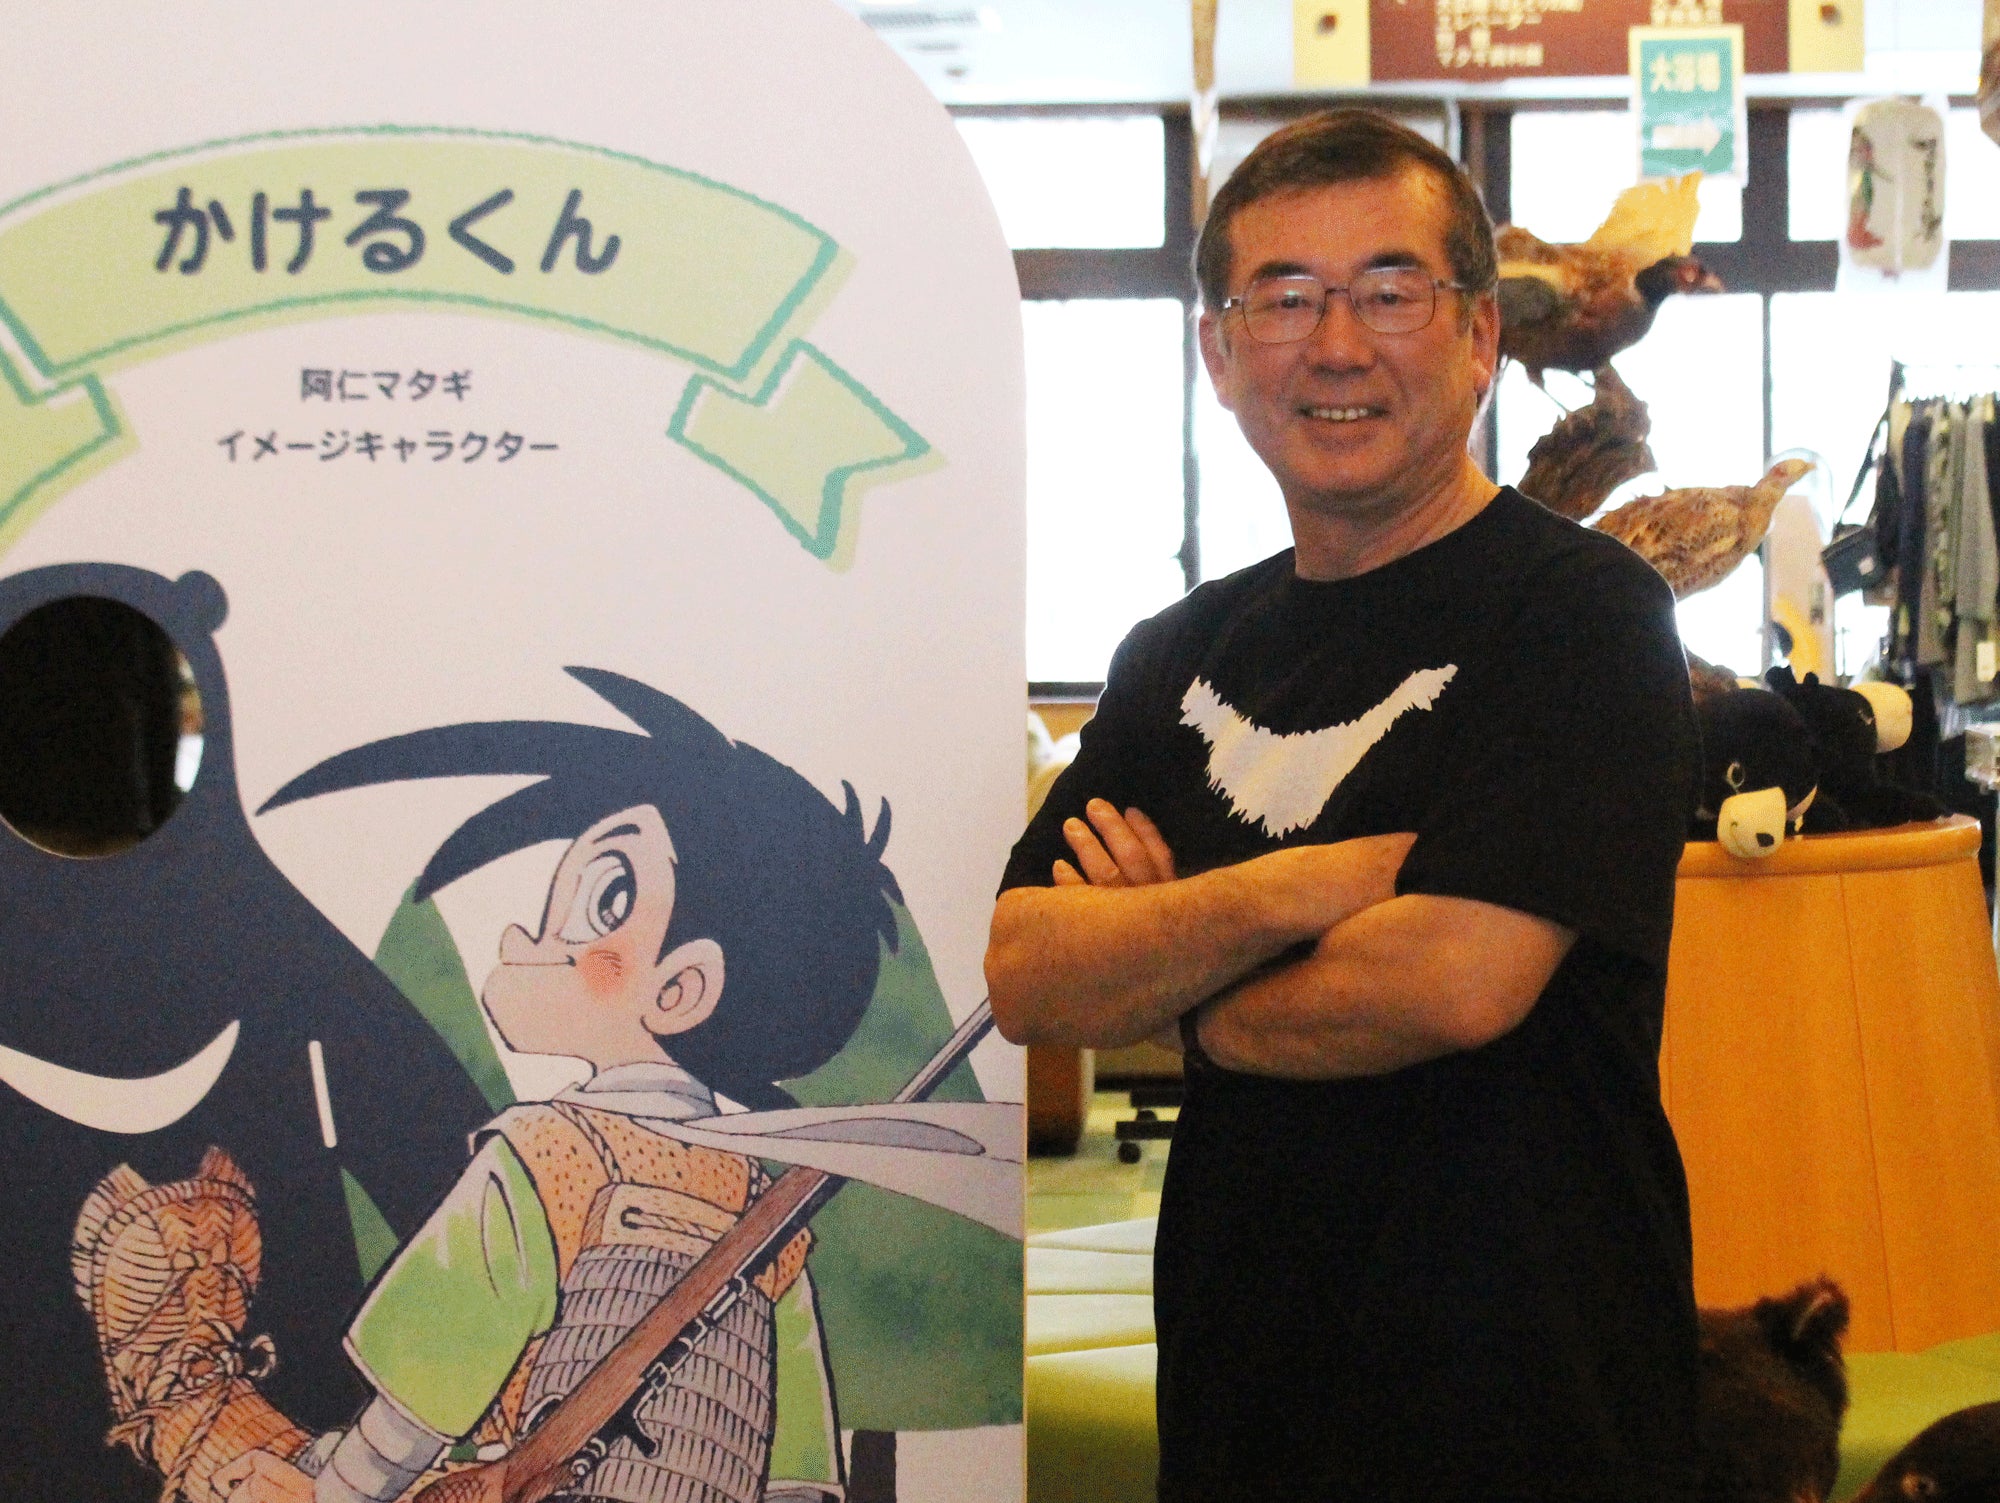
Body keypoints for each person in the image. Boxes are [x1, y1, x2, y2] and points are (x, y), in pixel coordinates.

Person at [987, 110, 1701, 1500]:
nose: (1333, 345)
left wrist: (1176, 983)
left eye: (1387, 293)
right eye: (1283, 298)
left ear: (1479, 336)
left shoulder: (1584, 616)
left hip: (1533, 1409)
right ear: (1218, 354)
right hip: (1242, 1394)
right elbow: (1027, 971)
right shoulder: (1177, 653)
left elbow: (1450, 980)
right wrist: (1314, 886)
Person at [216, 668, 902, 1503]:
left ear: (680, 986)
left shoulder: (549, 1157)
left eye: (602, 901)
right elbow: (797, 1473)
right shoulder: (768, 1213)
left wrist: (336, 1489)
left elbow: (421, 1393)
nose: (523, 936)